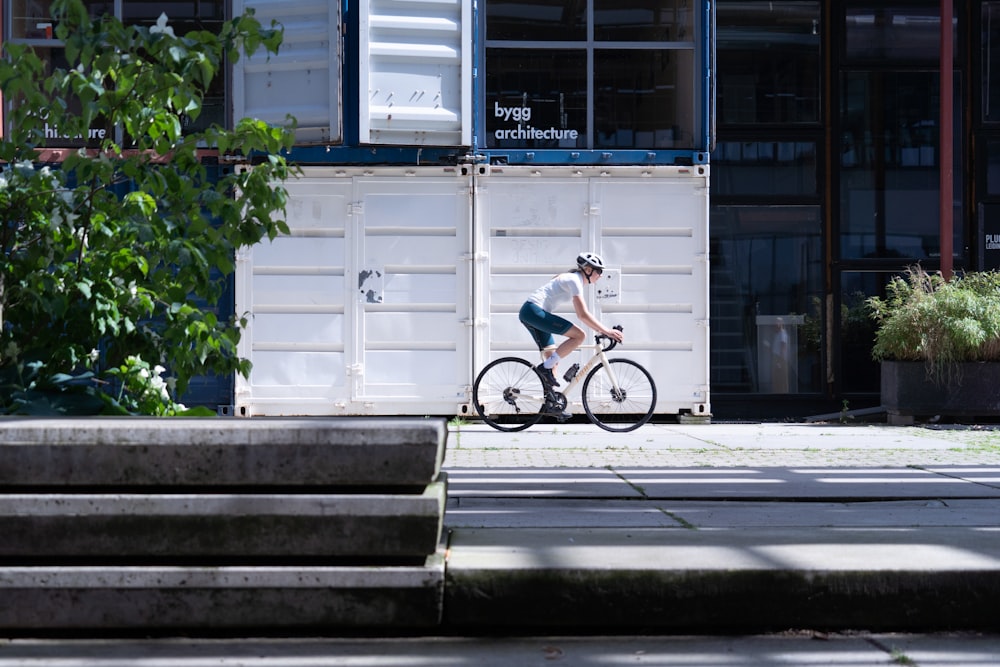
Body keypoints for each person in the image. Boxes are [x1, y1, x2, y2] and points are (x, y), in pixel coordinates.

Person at [518, 252, 625, 394]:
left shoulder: (574, 280)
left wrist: (603, 331)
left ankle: (551, 402)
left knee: (552, 361)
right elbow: (582, 315)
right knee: (579, 335)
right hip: (533, 311)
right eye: (599, 271)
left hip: (532, 312)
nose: (601, 275)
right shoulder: (575, 280)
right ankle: (544, 369)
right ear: (588, 270)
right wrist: (607, 331)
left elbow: (583, 315)